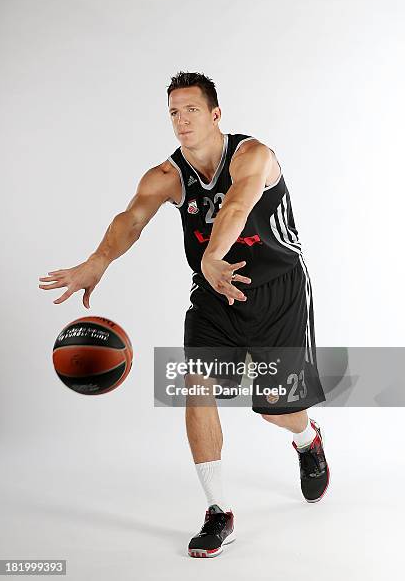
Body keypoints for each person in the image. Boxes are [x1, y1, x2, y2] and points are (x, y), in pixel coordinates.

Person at [39, 71, 330, 559]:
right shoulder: (167, 175)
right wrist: (97, 260)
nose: (181, 119)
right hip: (212, 297)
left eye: (191, 109)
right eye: (174, 112)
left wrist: (214, 253)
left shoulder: (253, 155)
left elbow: (237, 204)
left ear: (215, 114)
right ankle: (219, 510)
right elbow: (130, 219)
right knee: (196, 384)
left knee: (275, 406)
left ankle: (306, 439)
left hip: (276, 291)